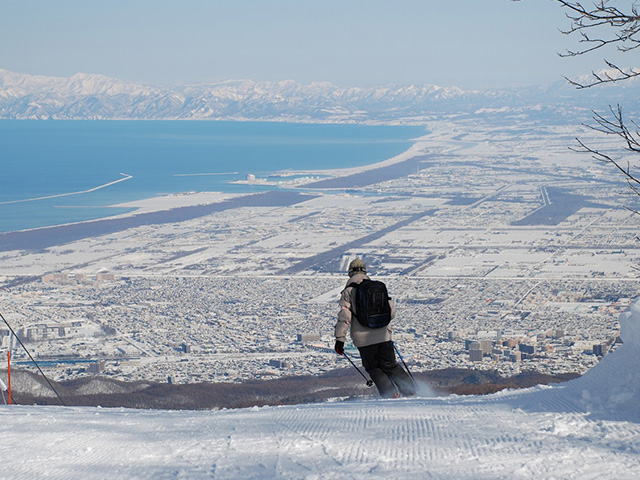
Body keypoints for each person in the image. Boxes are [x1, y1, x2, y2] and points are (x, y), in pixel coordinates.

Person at [334, 258, 416, 398]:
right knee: (390, 364)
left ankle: (391, 395)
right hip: (384, 335)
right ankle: (411, 391)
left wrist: (340, 340)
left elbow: (344, 317)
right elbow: (392, 312)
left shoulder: (348, 292)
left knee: (374, 368)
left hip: (363, 339)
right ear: (365, 272)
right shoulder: (377, 288)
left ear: (350, 273)